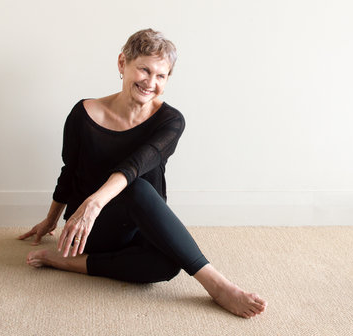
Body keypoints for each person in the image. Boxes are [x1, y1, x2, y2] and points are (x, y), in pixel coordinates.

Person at [18, 29, 267, 319]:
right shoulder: (83, 114)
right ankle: (218, 285)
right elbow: (69, 171)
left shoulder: (171, 121)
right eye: (144, 70)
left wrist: (94, 201)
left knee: (167, 264)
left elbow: (135, 165)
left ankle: (68, 263)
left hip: (138, 225)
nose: (151, 82)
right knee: (135, 189)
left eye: (161, 76)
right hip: (92, 229)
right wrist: (51, 220)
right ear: (122, 63)